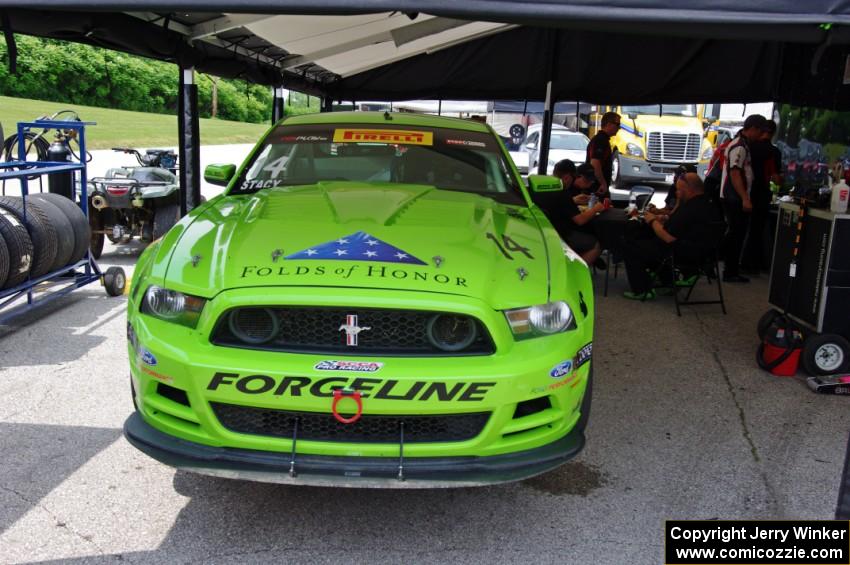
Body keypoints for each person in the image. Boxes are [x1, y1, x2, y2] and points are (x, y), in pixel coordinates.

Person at [621, 172, 717, 300]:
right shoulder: (708, 205)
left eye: (679, 190)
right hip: (703, 256)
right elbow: (683, 226)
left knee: (631, 246)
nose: (677, 193)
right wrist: (663, 218)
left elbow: (668, 237)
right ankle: (668, 283)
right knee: (648, 242)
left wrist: (652, 220)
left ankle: (642, 290)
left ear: (688, 190)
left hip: (681, 254)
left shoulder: (689, 208)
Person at [719, 114, 769, 283]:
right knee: (736, 235)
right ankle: (729, 271)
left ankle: (729, 268)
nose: (762, 136)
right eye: (760, 131)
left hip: (734, 197)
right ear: (753, 128)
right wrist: (745, 198)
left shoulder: (742, 145)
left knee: (735, 234)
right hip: (734, 198)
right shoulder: (739, 146)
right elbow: (734, 173)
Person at [535, 159, 608, 265]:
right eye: (573, 178)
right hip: (563, 236)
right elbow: (580, 220)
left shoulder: (543, 188)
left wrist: (573, 200)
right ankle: (576, 270)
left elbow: (554, 205)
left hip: (544, 234)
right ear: (567, 177)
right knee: (599, 244)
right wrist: (596, 208)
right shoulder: (563, 193)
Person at [741, 119, 782, 273]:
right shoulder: (774, 152)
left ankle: (737, 261)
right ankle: (751, 264)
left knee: (742, 228)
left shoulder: (749, 146)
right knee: (756, 231)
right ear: (772, 133)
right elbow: (775, 178)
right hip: (762, 194)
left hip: (746, 191)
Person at [586, 111, 621, 197]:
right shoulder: (600, 141)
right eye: (617, 124)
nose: (619, 128)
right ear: (608, 124)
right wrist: (603, 183)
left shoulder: (602, 140)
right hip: (597, 188)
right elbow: (595, 164)